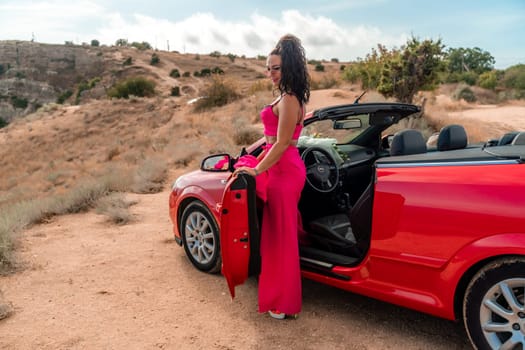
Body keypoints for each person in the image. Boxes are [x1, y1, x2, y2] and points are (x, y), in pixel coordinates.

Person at [233, 34, 310, 319]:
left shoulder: (289, 99)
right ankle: (281, 296)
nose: (270, 73)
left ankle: (285, 302)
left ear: (287, 67)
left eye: (275, 68)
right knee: (277, 236)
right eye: (268, 68)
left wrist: (256, 169)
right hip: (279, 167)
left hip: (284, 171)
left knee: (282, 240)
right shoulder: (287, 97)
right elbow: (273, 139)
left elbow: (280, 143)